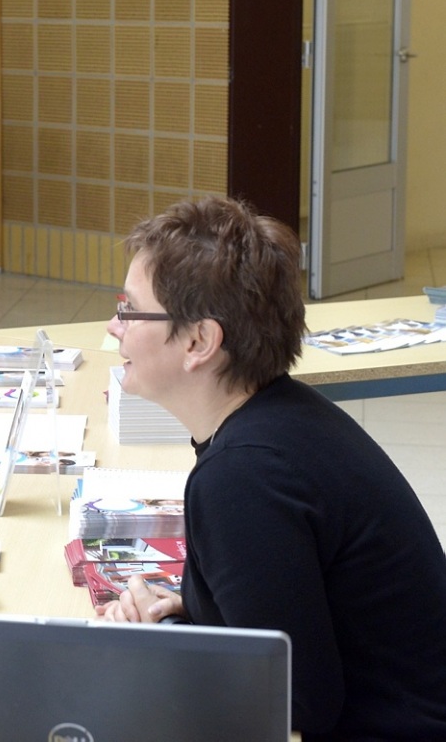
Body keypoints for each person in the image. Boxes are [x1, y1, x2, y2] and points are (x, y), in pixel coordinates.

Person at [96, 195, 446, 739]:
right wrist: (191, 615)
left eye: (129, 309)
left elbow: (295, 703)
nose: (114, 326)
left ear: (199, 341)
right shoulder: (284, 414)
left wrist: (165, 636)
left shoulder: (243, 477)